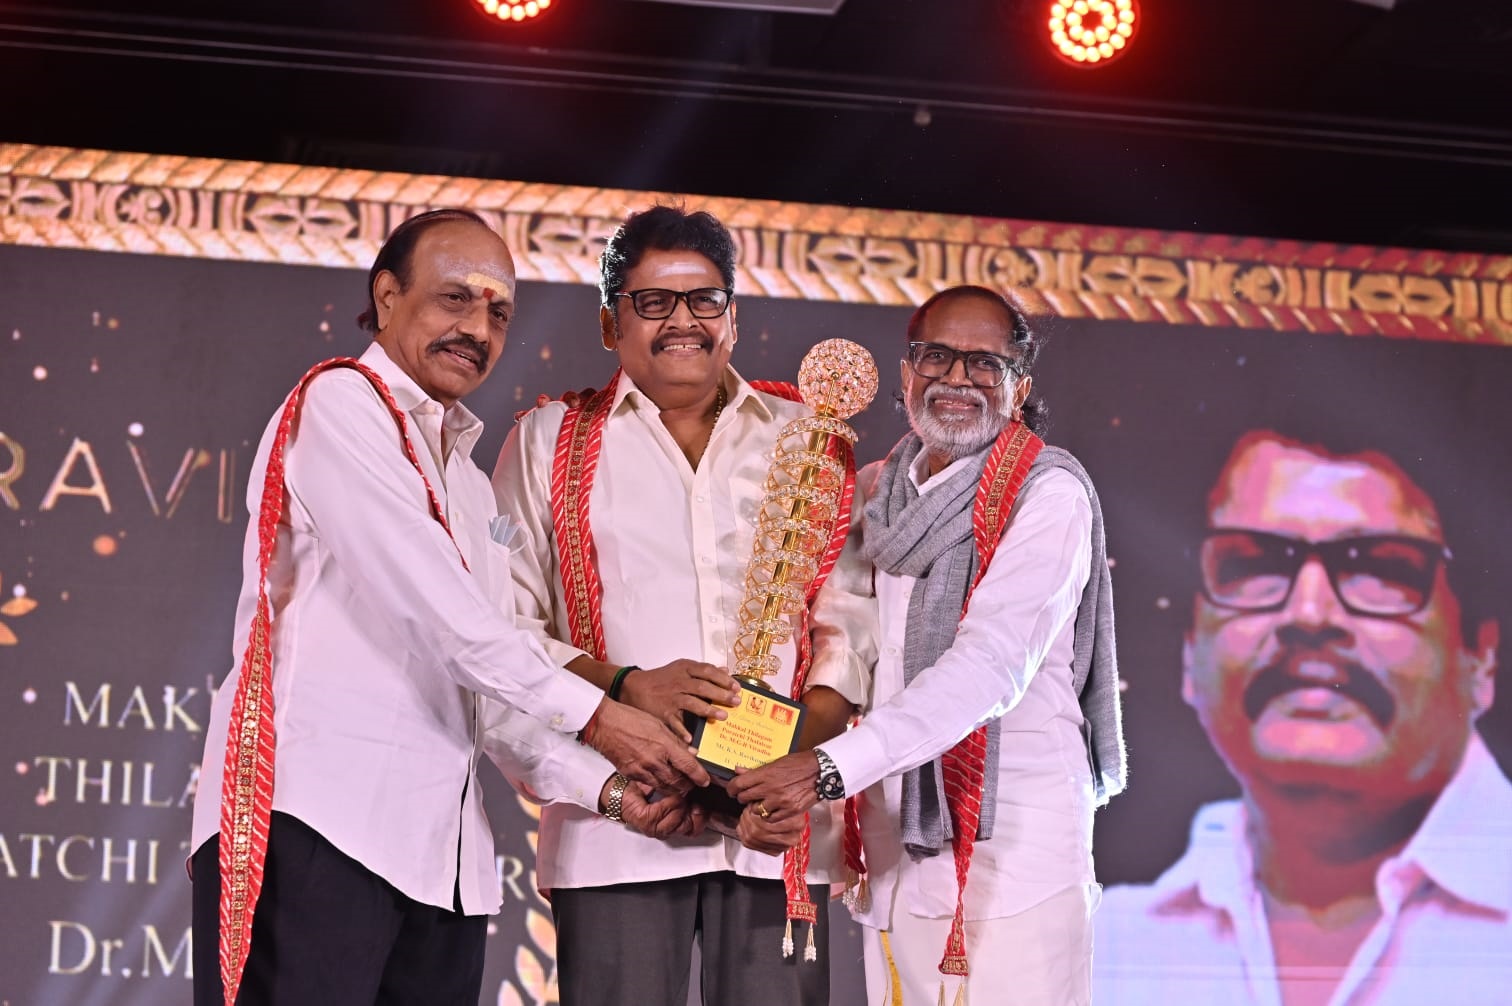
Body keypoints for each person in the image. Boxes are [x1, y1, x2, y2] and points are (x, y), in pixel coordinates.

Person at [187, 208, 709, 1006]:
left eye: (499, 313)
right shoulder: (340, 403)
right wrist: (603, 718)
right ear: (387, 297)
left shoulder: (468, 481)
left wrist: (606, 789)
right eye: (455, 298)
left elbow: (488, 690)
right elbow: (446, 624)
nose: (478, 328)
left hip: (442, 868)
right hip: (313, 828)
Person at [490, 204, 876, 1006]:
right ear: (610, 323)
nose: (683, 322)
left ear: (733, 318)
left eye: (704, 300)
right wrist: (628, 687)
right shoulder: (547, 440)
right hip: (620, 826)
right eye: (653, 302)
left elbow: (849, 633)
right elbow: (505, 635)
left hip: (777, 833)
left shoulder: (810, 439)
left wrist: (786, 775)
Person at [730, 284, 1126, 1006]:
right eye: (937, 356)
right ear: (907, 373)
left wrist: (823, 770)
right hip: (893, 845)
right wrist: (758, 761)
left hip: (1013, 856)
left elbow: (988, 667)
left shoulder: (1047, 495)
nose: (957, 379)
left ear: (1020, 387)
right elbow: (838, 652)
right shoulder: (876, 493)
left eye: (985, 364)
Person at [1094, 429, 1509, 1005]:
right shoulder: (1104, 946)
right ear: (1190, 653)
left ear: (1481, 659)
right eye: (1254, 563)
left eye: (1379, 568)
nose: (1308, 614)